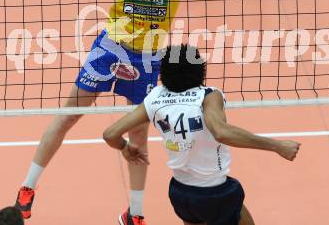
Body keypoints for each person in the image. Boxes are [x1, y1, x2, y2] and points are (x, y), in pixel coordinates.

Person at [14, 0, 218, 225]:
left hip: (149, 59)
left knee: (138, 137)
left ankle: (134, 214)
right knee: (68, 116)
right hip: (109, 50)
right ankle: (27, 187)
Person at [103, 44, 301, 225]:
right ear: (200, 70)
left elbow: (110, 134)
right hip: (216, 193)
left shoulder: (154, 97)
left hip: (180, 193)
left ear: (164, 72)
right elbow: (222, 133)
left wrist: (125, 147)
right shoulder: (208, 95)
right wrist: (278, 146)